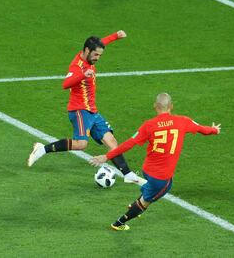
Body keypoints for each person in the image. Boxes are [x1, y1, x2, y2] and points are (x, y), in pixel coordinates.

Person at [90, 93, 221, 231]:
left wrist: (107, 156)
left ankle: (138, 201)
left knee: (150, 189)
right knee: (148, 199)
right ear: (171, 106)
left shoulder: (148, 126)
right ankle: (119, 223)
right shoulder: (183, 121)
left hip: (147, 170)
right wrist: (214, 130)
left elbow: (129, 143)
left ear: (155, 106)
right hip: (162, 178)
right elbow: (203, 129)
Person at [27, 30, 139, 183]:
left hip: (92, 110)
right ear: (87, 51)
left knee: (111, 141)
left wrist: (115, 36)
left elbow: (101, 43)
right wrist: (82, 75)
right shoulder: (77, 66)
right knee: (81, 144)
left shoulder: (91, 52)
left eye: (100, 55)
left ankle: (128, 175)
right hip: (79, 110)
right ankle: (41, 149)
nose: (98, 58)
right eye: (96, 55)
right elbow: (65, 84)